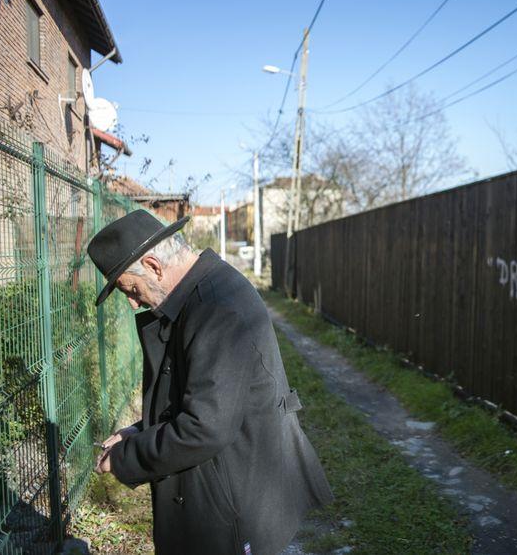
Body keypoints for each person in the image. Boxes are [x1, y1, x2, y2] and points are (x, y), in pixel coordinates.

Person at [87, 210, 333, 554]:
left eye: (132, 288)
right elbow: (202, 395)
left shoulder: (216, 307)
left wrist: (126, 457)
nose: (132, 303)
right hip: (232, 486)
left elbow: (204, 428)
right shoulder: (200, 294)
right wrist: (139, 430)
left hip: (236, 505)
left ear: (155, 266)